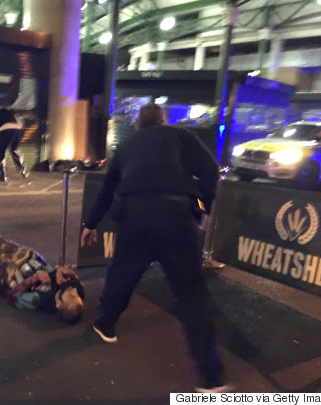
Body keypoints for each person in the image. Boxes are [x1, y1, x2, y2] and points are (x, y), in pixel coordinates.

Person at [80, 103, 230, 393]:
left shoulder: (124, 147)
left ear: (137, 124)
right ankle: (211, 378)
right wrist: (201, 207)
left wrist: (91, 223)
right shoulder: (180, 135)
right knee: (191, 294)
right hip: (176, 215)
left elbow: (107, 190)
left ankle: (105, 323)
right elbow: (210, 170)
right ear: (162, 121)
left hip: (135, 216)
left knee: (122, 273)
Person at [0, 234, 85, 324]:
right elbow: (61, 271)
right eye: (77, 295)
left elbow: (15, 296)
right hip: (29, 260)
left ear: (58, 304)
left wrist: (34, 278)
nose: (73, 291)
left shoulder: (41, 300)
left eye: (71, 296)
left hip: (12, 275)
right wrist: (59, 270)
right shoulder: (77, 289)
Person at [0, 106, 28, 180]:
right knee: (16, 150)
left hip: (5, 131)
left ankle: (2, 174)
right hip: (17, 131)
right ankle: (22, 169)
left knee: (1, 152)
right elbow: (22, 126)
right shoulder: (13, 113)